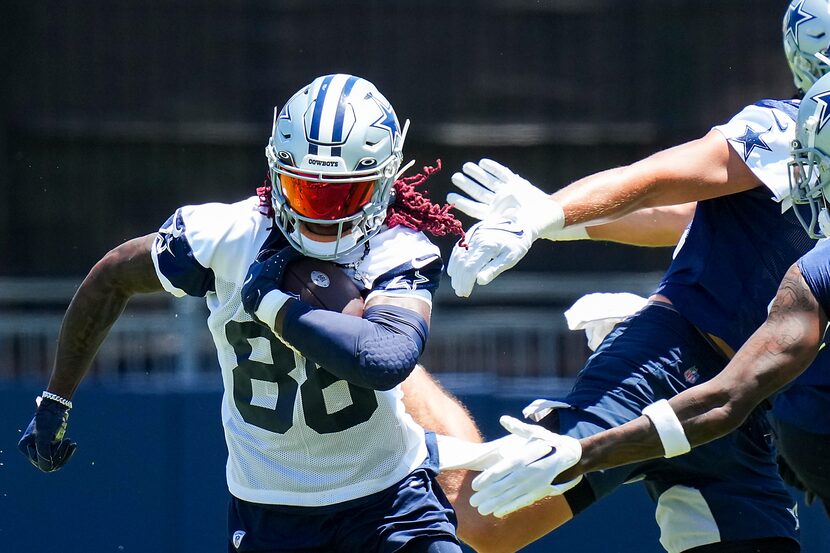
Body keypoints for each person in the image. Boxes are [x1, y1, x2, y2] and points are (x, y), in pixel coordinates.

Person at [17, 73, 476, 553]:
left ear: (385, 180)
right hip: (271, 510)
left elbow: (386, 358)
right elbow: (112, 275)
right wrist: (56, 398)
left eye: (342, 195)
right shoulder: (226, 235)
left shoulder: (397, 249)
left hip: (388, 499)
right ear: (277, 175)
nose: (323, 216)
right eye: (306, 192)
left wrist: (275, 307)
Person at [444, 3, 830, 551]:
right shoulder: (781, 132)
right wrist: (548, 217)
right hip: (667, 362)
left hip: (738, 407)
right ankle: (403, 408)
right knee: (486, 524)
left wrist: (566, 222)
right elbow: (656, 182)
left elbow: (691, 220)